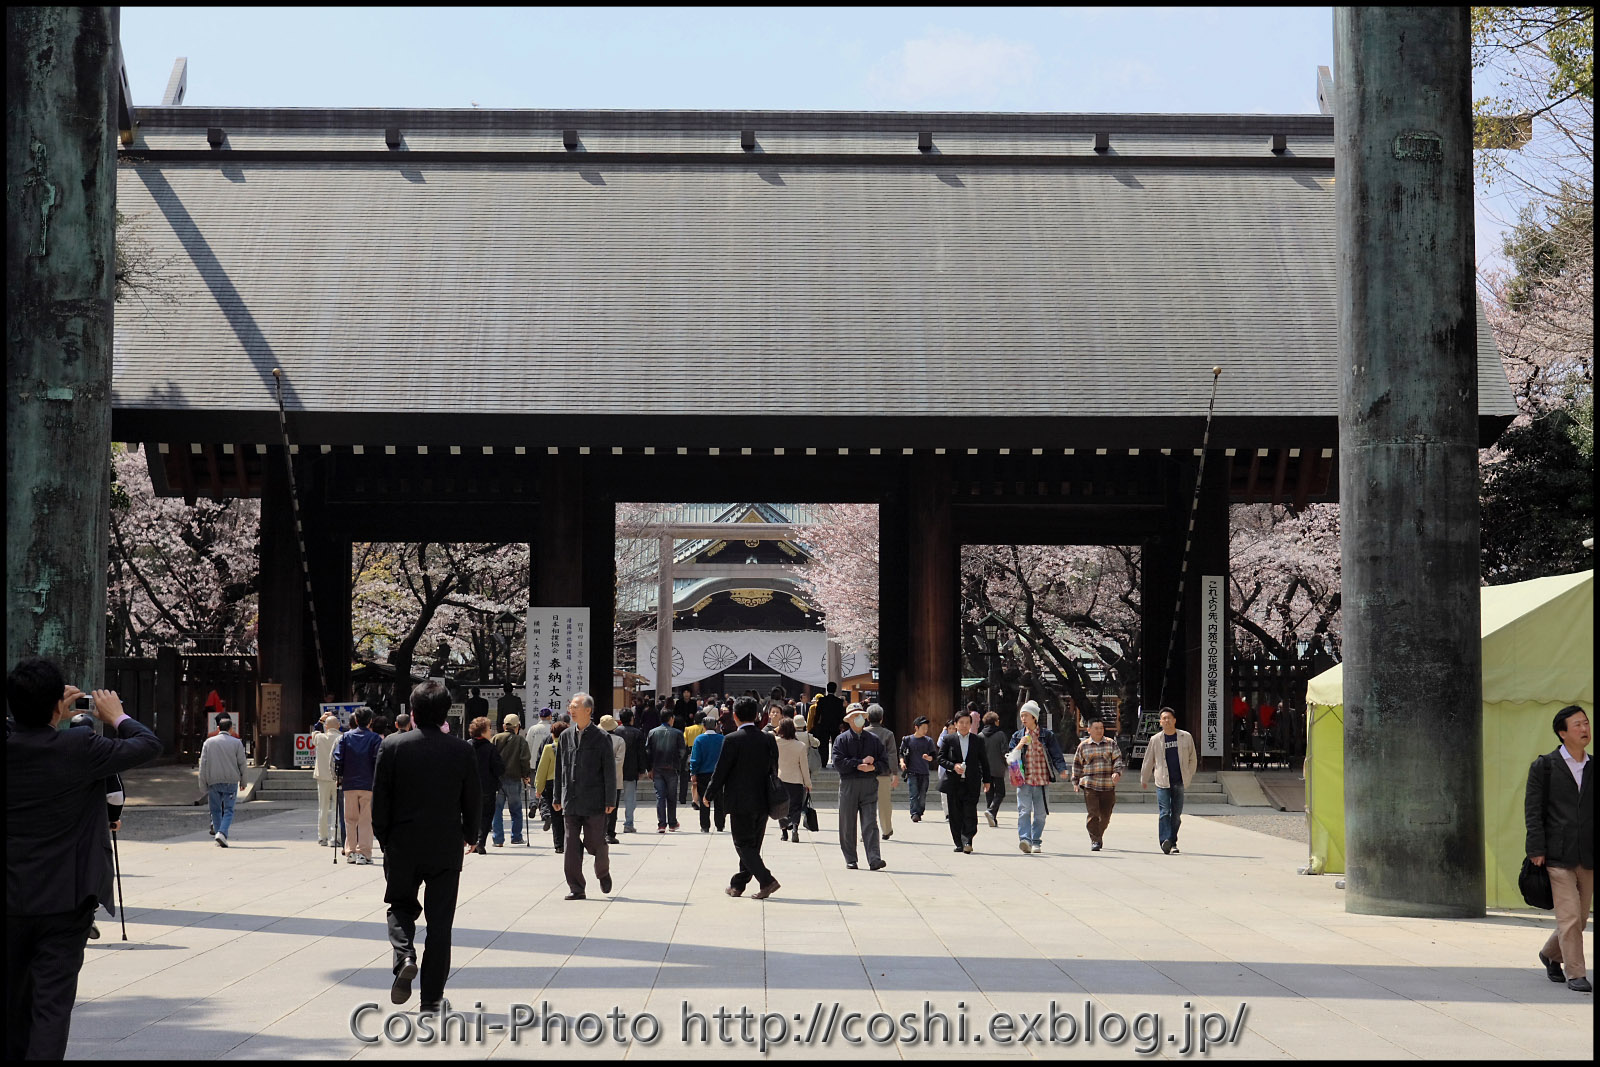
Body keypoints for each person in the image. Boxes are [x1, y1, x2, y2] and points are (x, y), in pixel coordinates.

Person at [7, 660, 161, 1059]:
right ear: (58, 707)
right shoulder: (78, 748)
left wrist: (45, 709)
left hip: (10, 899)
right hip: (65, 899)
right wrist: (117, 716)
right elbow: (148, 745)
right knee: (52, 1006)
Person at [371, 679, 479, 1013]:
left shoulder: (393, 746)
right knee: (440, 923)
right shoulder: (462, 750)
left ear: (413, 712)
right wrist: (470, 836)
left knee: (400, 905)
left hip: (403, 843)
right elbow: (473, 800)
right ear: (447, 712)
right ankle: (431, 999)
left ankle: (404, 956)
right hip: (445, 845)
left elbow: (380, 800)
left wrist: (384, 837)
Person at [1525, 705, 1593, 992]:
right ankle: (1576, 973)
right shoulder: (1546, 766)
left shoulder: (1593, 766)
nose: (1584, 728)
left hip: (1588, 854)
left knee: (1580, 916)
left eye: (1586, 723)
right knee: (1569, 916)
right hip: (1556, 854)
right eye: (1577, 724)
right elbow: (1533, 810)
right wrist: (1536, 848)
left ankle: (1550, 954)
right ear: (1562, 733)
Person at [705, 696, 781, 899]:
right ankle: (737, 885)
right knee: (752, 846)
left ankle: (767, 880)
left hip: (740, 801)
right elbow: (774, 767)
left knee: (743, 845)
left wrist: (709, 793)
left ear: (735, 716)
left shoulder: (731, 740)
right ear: (757, 716)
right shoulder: (768, 738)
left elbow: (721, 771)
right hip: (764, 799)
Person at [65, 713, 128, 940]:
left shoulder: (56, 752)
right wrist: (113, 818)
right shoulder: (101, 755)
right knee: (96, 869)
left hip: (59, 825)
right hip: (93, 824)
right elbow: (115, 794)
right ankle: (87, 913)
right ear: (93, 732)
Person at [552, 693, 617, 899]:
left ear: (588, 710)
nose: (571, 710)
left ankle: (603, 872)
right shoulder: (565, 736)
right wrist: (556, 796)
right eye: (570, 706)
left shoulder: (602, 737)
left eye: (575, 707)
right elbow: (559, 770)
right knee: (570, 845)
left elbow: (609, 770)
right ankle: (576, 887)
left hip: (594, 800)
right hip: (571, 799)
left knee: (595, 843)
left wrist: (610, 800)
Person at [1007, 702, 1068, 855]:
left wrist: (1062, 769)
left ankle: (1036, 841)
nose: (1023, 718)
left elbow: (1056, 754)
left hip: (1042, 781)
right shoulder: (1017, 736)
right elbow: (1009, 757)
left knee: (1040, 815)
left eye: (1026, 715)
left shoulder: (1047, 735)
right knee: (1024, 811)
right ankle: (1025, 840)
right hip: (1024, 780)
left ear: (1034, 717)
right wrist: (1020, 745)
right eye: (1021, 715)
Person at [833, 705, 887, 871]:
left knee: (870, 822)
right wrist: (859, 763)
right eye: (855, 716)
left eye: (861, 715)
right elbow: (838, 763)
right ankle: (850, 858)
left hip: (868, 784)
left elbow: (885, 763)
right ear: (848, 719)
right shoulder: (841, 740)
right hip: (849, 784)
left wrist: (874, 767)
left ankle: (874, 858)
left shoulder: (873, 739)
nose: (859, 718)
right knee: (847, 823)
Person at [1139, 707, 1197, 855]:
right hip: (1162, 781)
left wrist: (1189, 774)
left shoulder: (1186, 737)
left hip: (1179, 781)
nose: (1167, 721)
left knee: (1176, 815)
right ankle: (1165, 841)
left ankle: (1172, 841)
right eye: (1164, 718)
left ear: (1174, 720)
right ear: (1160, 722)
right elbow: (1148, 760)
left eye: (1169, 718)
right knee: (1165, 812)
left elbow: (1192, 758)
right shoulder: (1156, 739)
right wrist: (1144, 778)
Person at [334, 706, 383, 864]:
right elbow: (377, 760)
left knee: (350, 819)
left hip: (349, 783)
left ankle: (350, 852)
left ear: (355, 720)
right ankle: (364, 853)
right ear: (370, 721)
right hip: (368, 783)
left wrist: (339, 775)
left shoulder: (345, 737)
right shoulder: (375, 739)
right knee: (365, 820)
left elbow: (338, 758)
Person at [939, 706, 989, 853]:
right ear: (955, 724)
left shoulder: (977, 740)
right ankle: (959, 843)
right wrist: (953, 766)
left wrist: (987, 780)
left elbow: (984, 761)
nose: (964, 725)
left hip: (971, 782)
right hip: (953, 782)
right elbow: (940, 758)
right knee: (955, 814)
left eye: (967, 722)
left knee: (970, 812)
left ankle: (968, 839)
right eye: (961, 722)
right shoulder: (949, 739)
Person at [1072, 716, 1126, 851]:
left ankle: (1098, 835)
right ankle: (1095, 840)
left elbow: (1118, 759)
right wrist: (1075, 781)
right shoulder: (1083, 746)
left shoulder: (1111, 743)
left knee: (1106, 816)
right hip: (1090, 784)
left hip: (1107, 784)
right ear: (1089, 730)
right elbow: (1077, 764)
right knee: (1093, 813)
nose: (1099, 731)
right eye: (1096, 728)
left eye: (1101, 728)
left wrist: (1117, 772)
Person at [198, 713, 248, 848]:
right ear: (231, 729)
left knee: (215, 809)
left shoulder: (208, 743)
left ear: (218, 728)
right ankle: (222, 833)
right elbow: (242, 764)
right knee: (229, 809)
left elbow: (203, 764)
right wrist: (243, 782)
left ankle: (219, 834)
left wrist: (202, 784)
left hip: (213, 780)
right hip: (231, 780)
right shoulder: (237, 743)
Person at [490, 714, 532, 847]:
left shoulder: (496, 738)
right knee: (516, 810)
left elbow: (490, 758)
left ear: (504, 726)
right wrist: (526, 775)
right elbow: (524, 760)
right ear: (517, 727)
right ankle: (516, 837)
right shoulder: (520, 741)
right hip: (514, 779)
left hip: (497, 780)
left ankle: (498, 839)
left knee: (497, 810)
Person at [466, 717, 504, 854]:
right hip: (487, 787)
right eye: (489, 729)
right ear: (482, 732)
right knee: (486, 815)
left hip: (468, 787)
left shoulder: (467, 746)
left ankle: (471, 840)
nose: (491, 732)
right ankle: (480, 842)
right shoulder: (490, 748)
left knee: (470, 814)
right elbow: (499, 768)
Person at [646, 708, 686, 833]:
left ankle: (661, 824)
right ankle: (672, 823)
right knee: (672, 796)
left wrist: (649, 768)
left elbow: (648, 751)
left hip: (657, 768)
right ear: (671, 719)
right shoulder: (678, 733)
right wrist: (677, 762)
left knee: (660, 796)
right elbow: (682, 751)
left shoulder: (652, 732)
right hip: (672, 768)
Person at [864, 704, 899, 839]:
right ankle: (886, 829)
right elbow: (892, 754)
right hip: (883, 773)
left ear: (868, 718)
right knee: (884, 803)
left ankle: (866, 830)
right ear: (881, 718)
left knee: (866, 804)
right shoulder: (888, 734)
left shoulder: (863, 732)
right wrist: (894, 773)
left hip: (865, 773)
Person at [775, 716, 812, 842]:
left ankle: (784, 832)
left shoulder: (776, 742)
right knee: (796, 807)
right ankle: (795, 828)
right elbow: (804, 766)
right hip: (796, 780)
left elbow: (767, 734)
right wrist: (808, 783)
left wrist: (776, 730)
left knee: (782, 807)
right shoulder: (800, 745)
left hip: (781, 778)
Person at [534, 721, 569, 853]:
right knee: (568, 815)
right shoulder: (571, 747)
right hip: (568, 783)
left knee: (555, 815)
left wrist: (538, 788)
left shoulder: (549, 748)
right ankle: (569, 842)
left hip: (551, 784)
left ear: (553, 734)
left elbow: (542, 769)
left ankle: (559, 845)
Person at [689, 714, 727, 833]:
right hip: (718, 774)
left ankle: (705, 826)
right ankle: (720, 825)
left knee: (704, 799)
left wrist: (693, 772)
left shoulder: (699, 739)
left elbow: (695, 758)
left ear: (704, 726)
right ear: (716, 726)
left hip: (703, 773)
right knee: (719, 800)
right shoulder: (722, 739)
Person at [899, 716, 938, 822]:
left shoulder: (928, 741)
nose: (926, 730)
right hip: (912, 771)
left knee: (922, 795)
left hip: (924, 772)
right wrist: (902, 763)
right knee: (913, 793)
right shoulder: (907, 740)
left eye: (927, 728)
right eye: (923, 728)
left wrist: (928, 758)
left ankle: (920, 811)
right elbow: (901, 753)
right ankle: (914, 813)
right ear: (916, 727)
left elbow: (934, 756)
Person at [312, 712, 340, 846]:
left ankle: (322, 837)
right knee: (337, 809)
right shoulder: (342, 738)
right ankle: (335, 837)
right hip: (338, 777)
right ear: (338, 725)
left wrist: (321, 720)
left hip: (322, 777)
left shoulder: (320, 737)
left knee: (322, 808)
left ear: (326, 727)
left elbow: (315, 730)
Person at [616, 708, 645, 833]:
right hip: (631, 769)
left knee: (613, 798)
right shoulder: (637, 733)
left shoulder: (615, 732)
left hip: (615, 769)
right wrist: (642, 769)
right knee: (629, 798)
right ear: (632, 718)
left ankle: (610, 822)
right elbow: (641, 753)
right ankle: (628, 823)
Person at [978, 711, 1010, 828]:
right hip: (998, 768)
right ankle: (991, 811)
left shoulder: (980, 735)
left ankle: (992, 816)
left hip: (985, 769)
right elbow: (1004, 752)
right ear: (995, 721)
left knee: (989, 793)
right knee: (1001, 793)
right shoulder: (1000, 734)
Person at [526, 708, 555, 831]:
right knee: (545, 787)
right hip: (548, 762)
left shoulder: (533, 729)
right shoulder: (552, 729)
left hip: (533, 761)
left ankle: (533, 803)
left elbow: (527, 745)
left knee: (533, 785)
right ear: (550, 716)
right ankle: (545, 811)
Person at [599, 715, 626, 844]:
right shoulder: (620, 740)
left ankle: (600, 832)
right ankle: (610, 833)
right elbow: (620, 760)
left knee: (599, 807)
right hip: (615, 779)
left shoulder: (597, 739)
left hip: (598, 778)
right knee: (612, 807)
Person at [813, 683, 847, 763]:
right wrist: (841, 724)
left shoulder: (822, 700)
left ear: (827, 689)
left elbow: (817, 714)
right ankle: (835, 761)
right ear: (835, 690)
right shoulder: (838, 701)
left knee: (824, 743)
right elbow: (841, 714)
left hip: (824, 724)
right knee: (835, 743)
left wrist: (815, 724)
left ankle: (824, 761)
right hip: (835, 725)